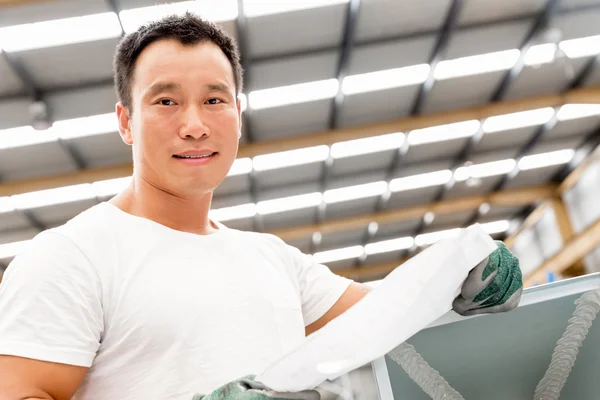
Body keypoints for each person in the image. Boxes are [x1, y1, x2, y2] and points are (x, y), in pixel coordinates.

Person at [0, 13, 523, 400]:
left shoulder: (272, 260)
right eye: (165, 101)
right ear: (124, 121)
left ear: (238, 113)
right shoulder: (71, 256)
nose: (194, 124)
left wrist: (464, 273)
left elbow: (390, 310)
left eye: (213, 99)